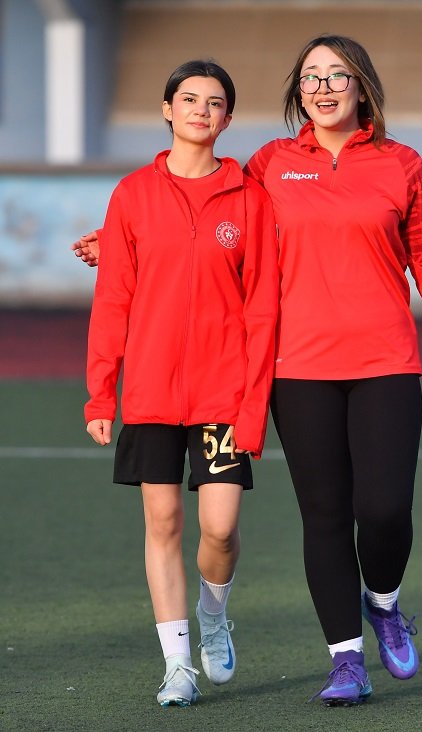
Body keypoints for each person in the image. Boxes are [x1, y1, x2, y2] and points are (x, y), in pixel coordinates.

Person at [74, 34, 422, 708]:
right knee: (324, 515)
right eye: (311, 76)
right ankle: (345, 661)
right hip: (297, 367)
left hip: (384, 360)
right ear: (297, 92)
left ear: (361, 85)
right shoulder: (270, 165)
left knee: (383, 511)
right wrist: (114, 240)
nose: (324, 87)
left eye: (337, 75)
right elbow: (200, 205)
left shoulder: (401, 164)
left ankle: (383, 602)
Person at [83, 59, 279, 708]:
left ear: (228, 118)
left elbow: (262, 307)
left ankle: (214, 615)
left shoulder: (249, 198)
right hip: (151, 390)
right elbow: (113, 299)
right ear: (167, 109)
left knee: (219, 529)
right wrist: (100, 390)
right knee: (163, 521)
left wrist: (254, 402)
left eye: (214, 102)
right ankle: (176, 665)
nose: (200, 110)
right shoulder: (132, 195)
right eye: (189, 99)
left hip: (224, 390)